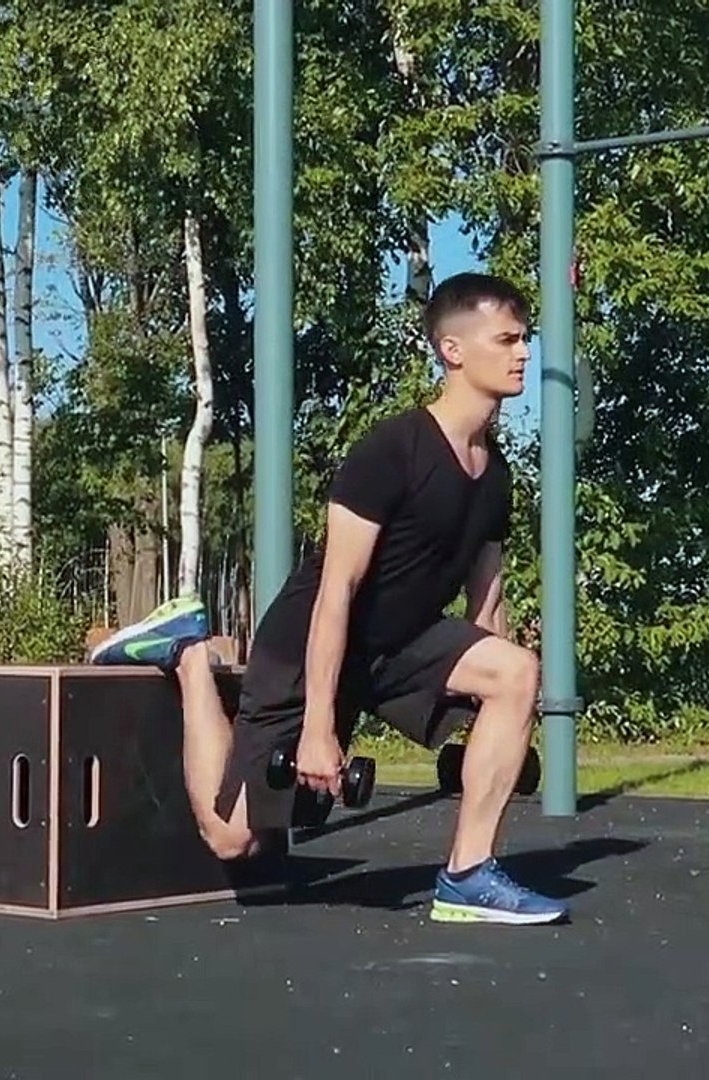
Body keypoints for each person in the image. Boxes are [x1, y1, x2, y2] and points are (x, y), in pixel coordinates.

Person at [87, 271, 566, 926]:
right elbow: (336, 591)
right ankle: (190, 655)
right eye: (507, 340)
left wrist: (489, 710)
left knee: (515, 671)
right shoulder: (392, 451)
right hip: (306, 647)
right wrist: (317, 729)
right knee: (235, 840)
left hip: (399, 645)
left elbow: (487, 598)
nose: (523, 353)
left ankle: (467, 876)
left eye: (525, 339)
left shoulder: (496, 473)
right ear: (453, 350)